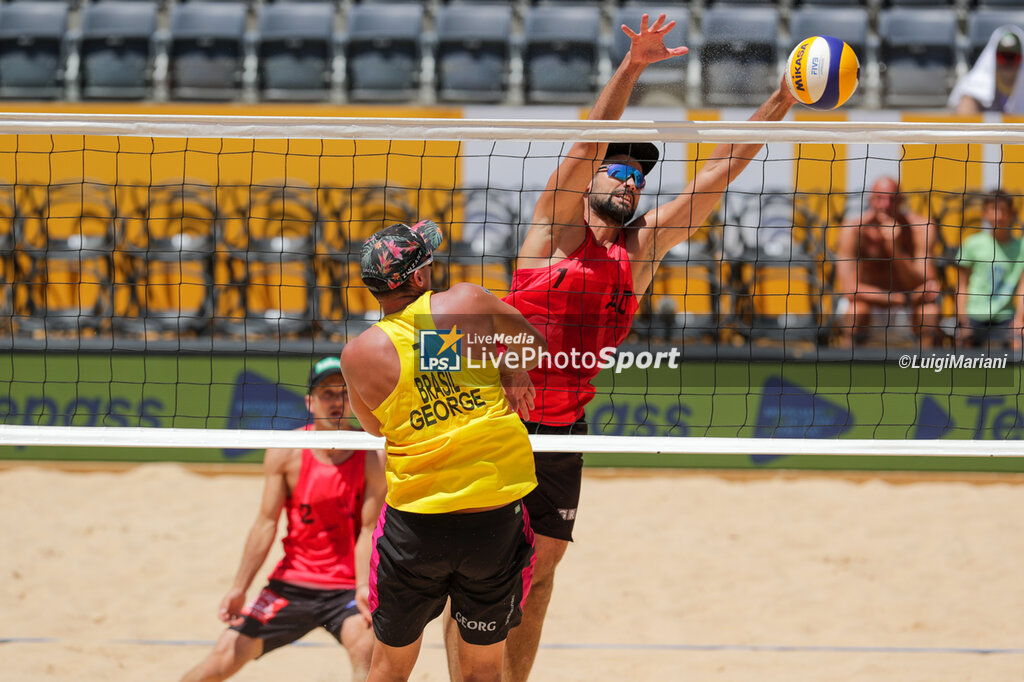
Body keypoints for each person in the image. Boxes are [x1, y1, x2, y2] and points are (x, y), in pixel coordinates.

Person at [442, 12, 801, 682]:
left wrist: (780, 99)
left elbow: (717, 175)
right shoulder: (550, 231)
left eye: (639, 174)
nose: (630, 179)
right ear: (591, 186)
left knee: (540, 578)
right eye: (619, 168)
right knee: (479, 577)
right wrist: (633, 67)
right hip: (494, 419)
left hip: (562, 430)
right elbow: (584, 149)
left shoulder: (640, 252)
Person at [339, 219, 548, 682]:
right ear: (418, 277)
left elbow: (374, 428)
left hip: (415, 528)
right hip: (492, 521)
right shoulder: (465, 302)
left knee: (388, 669)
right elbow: (534, 345)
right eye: (428, 261)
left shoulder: (357, 355)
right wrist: (509, 368)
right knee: (482, 672)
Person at [181, 357, 387, 682]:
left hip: (347, 589)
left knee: (367, 651)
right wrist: (239, 588)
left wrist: (364, 586)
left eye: (343, 393)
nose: (335, 401)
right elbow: (265, 524)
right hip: (292, 584)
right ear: (310, 401)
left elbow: (368, 529)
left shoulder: (371, 453)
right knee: (225, 654)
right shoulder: (286, 450)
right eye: (326, 393)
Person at [834, 176, 941, 347]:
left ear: (901, 201)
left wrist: (895, 248)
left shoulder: (922, 228)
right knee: (855, 311)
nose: (885, 205)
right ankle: (848, 368)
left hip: (907, 308)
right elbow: (849, 289)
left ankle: (924, 370)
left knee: (929, 311)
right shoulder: (854, 230)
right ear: (870, 199)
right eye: (879, 198)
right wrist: (900, 298)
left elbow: (926, 282)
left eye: (891, 199)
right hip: (877, 304)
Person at [956, 189, 1024, 348]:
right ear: (984, 213)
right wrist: (962, 318)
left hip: (1005, 317)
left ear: (1012, 213)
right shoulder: (973, 243)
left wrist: (1020, 319)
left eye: (1003, 210)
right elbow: (961, 285)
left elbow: (1022, 287)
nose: (998, 216)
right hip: (974, 314)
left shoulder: (1021, 247)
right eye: (993, 210)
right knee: (963, 352)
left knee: (1017, 346)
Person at [950, 26, 1024, 115]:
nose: (1007, 63)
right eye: (1002, 56)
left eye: (1013, 57)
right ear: (993, 58)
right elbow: (964, 116)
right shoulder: (976, 83)